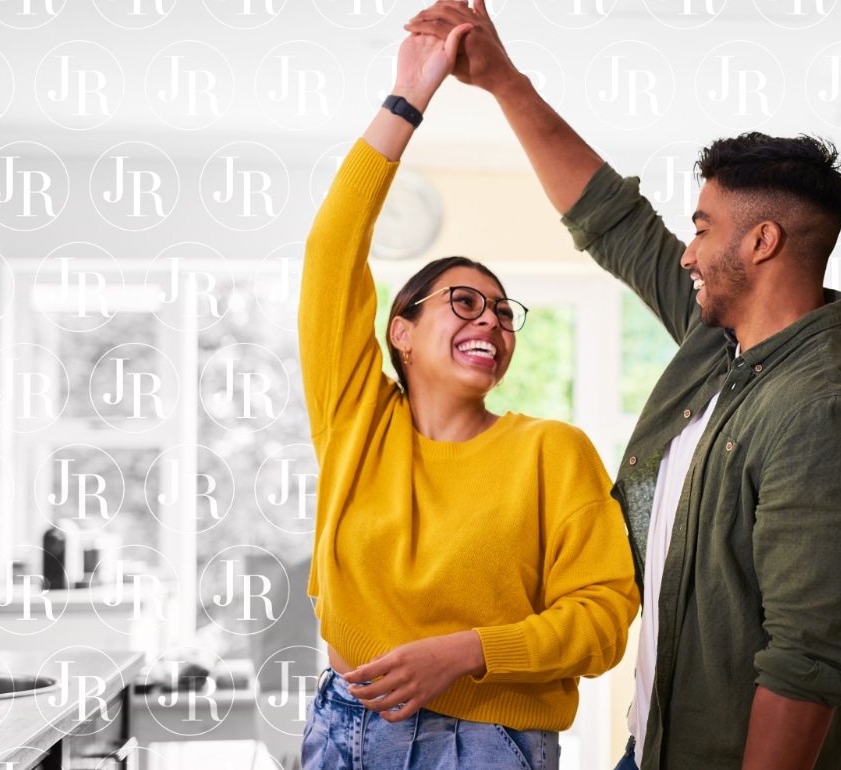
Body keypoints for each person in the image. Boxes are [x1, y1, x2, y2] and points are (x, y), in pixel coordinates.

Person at [405, 4, 841, 769]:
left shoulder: (819, 411)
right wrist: (504, 84)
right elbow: (615, 223)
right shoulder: (724, 345)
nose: (686, 252)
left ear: (761, 242)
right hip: (654, 747)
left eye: (702, 228)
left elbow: (805, 665)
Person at [298, 25, 640, 770]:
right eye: (462, 301)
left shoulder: (551, 451)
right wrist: (410, 93)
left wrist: (467, 653)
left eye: (502, 311)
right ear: (402, 332)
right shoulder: (356, 422)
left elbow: (604, 620)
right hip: (342, 725)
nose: (490, 318)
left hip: (485, 746)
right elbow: (331, 250)